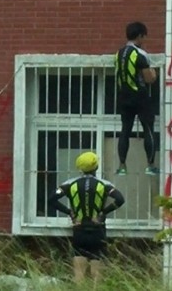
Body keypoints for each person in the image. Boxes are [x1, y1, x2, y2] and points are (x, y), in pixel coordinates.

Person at [48, 151, 124, 284]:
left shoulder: (70, 184)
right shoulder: (104, 184)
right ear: (96, 167)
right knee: (97, 274)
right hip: (98, 230)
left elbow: (52, 199)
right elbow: (120, 199)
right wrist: (103, 213)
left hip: (79, 229)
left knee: (79, 274)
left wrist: (69, 212)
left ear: (80, 168)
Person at [115, 21, 159, 175]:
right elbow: (148, 79)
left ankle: (122, 166)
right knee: (148, 128)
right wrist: (154, 74)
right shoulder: (140, 54)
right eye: (144, 37)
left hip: (123, 96)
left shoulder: (118, 53)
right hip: (139, 96)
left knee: (125, 130)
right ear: (140, 36)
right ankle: (150, 165)